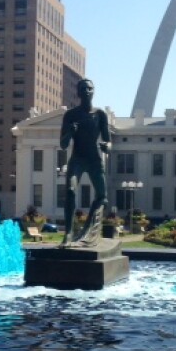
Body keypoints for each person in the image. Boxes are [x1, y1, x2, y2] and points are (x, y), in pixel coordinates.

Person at [59, 78, 111, 246]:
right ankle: (68, 234)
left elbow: (108, 141)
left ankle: (89, 230)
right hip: (78, 159)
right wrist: (70, 132)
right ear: (78, 93)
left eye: (89, 88)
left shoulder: (100, 114)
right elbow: (63, 144)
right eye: (83, 88)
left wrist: (106, 147)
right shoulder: (71, 115)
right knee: (70, 191)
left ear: (93, 91)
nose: (86, 91)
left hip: (94, 159)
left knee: (102, 195)